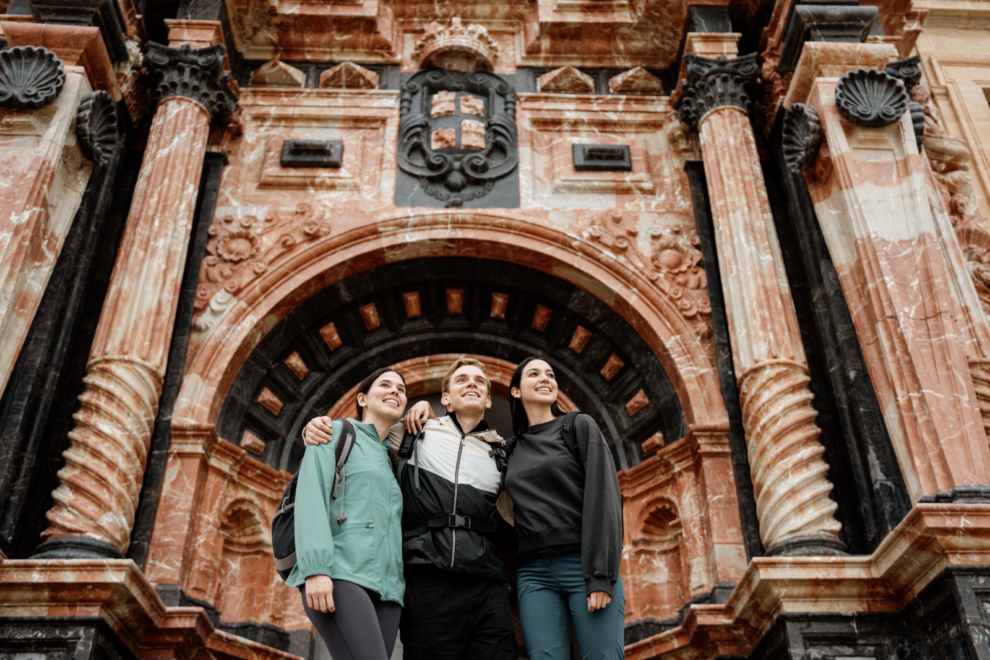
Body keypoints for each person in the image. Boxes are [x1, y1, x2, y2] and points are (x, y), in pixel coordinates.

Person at [303, 357, 518, 660]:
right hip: (426, 575)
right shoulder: (410, 434)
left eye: (479, 382)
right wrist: (315, 426)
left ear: (488, 400)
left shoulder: (503, 452)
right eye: (462, 380)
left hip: (487, 580)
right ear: (446, 399)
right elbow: (366, 432)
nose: (472, 384)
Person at [504, 356, 625, 660]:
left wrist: (600, 574)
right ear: (516, 391)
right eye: (534, 374)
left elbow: (605, 498)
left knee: (602, 656)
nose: (546, 378)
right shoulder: (508, 450)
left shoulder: (577, 425)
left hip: (583, 565)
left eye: (550, 374)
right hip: (534, 572)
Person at [286, 367, 407, 660]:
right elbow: (311, 494)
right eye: (386, 385)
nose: (395, 391)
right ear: (362, 399)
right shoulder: (336, 432)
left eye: (402, 390)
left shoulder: (393, 458)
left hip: (389, 591)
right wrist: (315, 569)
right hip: (340, 573)